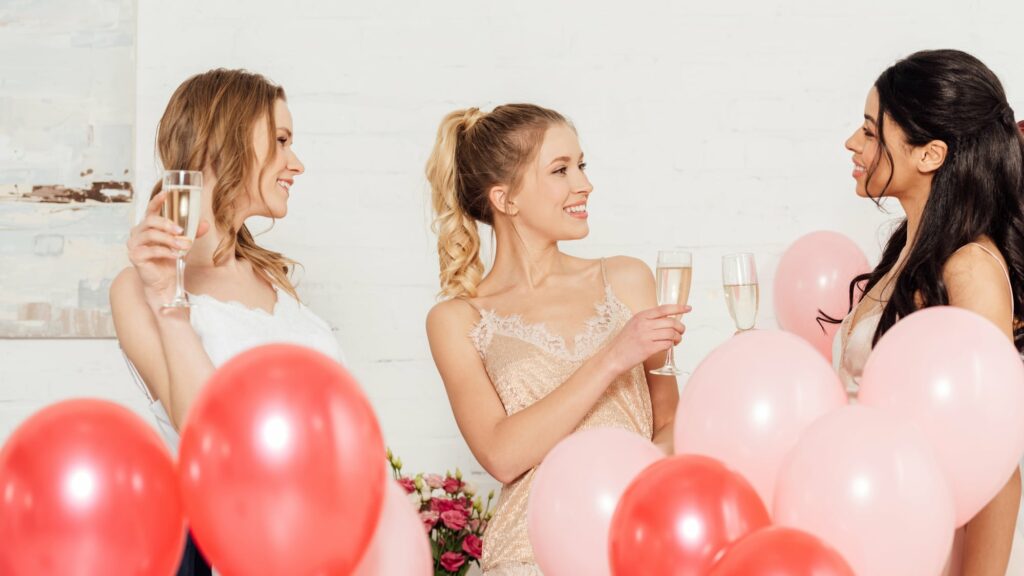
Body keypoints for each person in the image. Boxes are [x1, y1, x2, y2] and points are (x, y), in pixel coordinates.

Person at [424, 103, 687, 574]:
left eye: (581, 165)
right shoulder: (456, 319)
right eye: (560, 170)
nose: (584, 184)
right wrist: (612, 356)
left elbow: (670, 419)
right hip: (528, 555)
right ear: (506, 200)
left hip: (633, 546)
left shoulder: (627, 279)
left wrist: (631, 488)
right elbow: (502, 456)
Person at [110, 69, 340, 576]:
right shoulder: (136, 291)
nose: (295, 164)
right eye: (280, 141)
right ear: (226, 139)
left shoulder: (272, 278)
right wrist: (168, 296)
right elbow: (203, 436)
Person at [834, 49, 1024, 575]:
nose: (853, 142)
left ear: (930, 154)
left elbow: (996, 459)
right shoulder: (903, 254)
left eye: (871, 132)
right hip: (864, 532)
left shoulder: (968, 268)